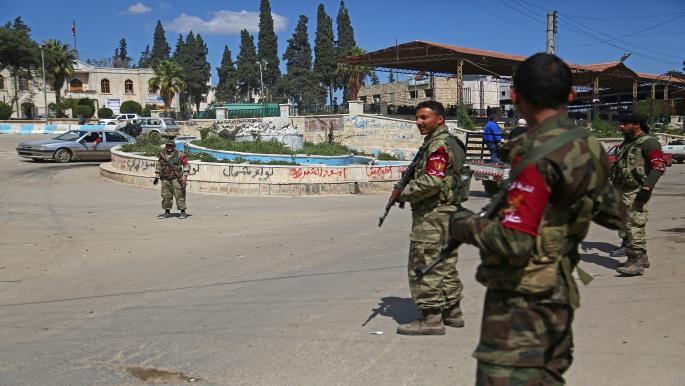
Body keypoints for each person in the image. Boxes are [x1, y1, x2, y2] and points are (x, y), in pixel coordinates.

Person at [449, 53, 614, 384]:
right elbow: (613, 214)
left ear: (514, 96)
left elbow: (515, 241)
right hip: (559, 291)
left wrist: (463, 224)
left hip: (522, 302)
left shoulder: (537, 154)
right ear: (571, 96)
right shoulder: (589, 146)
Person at [394, 100, 469, 335]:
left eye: (424, 118)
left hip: (433, 214)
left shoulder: (438, 145)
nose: (419, 122)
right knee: (445, 263)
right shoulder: (451, 142)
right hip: (449, 212)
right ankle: (453, 312)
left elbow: (432, 181)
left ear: (439, 119)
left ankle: (431, 318)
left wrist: (403, 193)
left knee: (424, 264)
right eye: (417, 117)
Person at [609, 112, 665, 276]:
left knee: (634, 225)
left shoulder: (649, 143)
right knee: (630, 225)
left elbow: (658, 167)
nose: (621, 126)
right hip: (623, 189)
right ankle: (643, 257)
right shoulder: (628, 142)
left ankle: (635, 262)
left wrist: (646, 188)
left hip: (636, 190)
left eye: (625, 123)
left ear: (636, 125)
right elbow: (620, 165)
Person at [153, 140, 190, 219]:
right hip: (165, 179)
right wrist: (156, 177)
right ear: (166, 146)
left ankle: (183, 212)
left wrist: (185, 175)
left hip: (176, 178)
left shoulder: (179, 154)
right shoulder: (162, 155)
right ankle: (167, 212)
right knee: (166, 195)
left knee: (179, 195)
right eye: (168, 146)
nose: (169, 147)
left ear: (174, 146)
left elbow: (186, 165)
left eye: (171, 146)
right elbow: (159, 166)